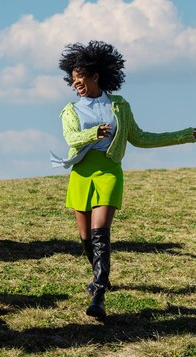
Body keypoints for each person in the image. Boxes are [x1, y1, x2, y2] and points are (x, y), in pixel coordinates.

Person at [53, 40, 196, 319]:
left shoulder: (119, 105)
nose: (75, 85)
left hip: (108, 170)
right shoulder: (70, 110)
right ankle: (100, 276)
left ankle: (98, 294)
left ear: (95, 76)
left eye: (79, 79)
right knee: (84, 237)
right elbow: (71, 138)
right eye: (72, 80)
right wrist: (93, 134)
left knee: (99, 234)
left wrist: (186, 135)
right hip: (81, 172)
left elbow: (141, 138)